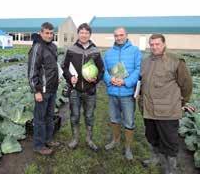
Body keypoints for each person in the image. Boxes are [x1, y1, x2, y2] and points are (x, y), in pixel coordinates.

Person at [139, 34, 193, 173]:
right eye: (152, 44)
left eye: (157, 44)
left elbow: (186, 85)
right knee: (152, 137)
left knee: (170, 142)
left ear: (164, 44)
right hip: (149, 109)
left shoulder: (175, 61)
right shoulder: (145, 62)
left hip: (168, 111)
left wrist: (182, 101)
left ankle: (171, 169)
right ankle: (155, 158)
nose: (154, 47)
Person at [62, 23, 104, 151]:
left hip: (90, 90)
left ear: (90, 35)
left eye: (86, 33)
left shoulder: (95, 51)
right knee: (74, 115)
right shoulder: (71, 49)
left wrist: (96, 79)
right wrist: (70, 77)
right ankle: (75, 139)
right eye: (81, 32)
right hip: (75, 90)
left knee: (89, 116)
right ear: (78, 34)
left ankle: (89, 139)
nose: (84, 35)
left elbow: (101, 70)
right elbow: (64, 67)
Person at [103, 27, 142, 160]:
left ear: (126, 35)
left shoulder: (135, 51)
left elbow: (138, 70)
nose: (118, 38)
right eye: (116, 36)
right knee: (114, 119)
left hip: (128, 93)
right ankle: (115, 140)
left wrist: (126, 82)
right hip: (113, 92)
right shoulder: (108, 53)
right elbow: (104, 71)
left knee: (129, 121)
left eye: (121, 35)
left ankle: (128, 147)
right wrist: (110, 79)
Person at [28, 22, 60, 155]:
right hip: (42, 91)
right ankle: (38, 145)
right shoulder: (37, 47)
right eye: (46, 33)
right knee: (39, 119)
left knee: (49, 116)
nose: (49, 35)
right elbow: (32, 71)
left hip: (52, 89)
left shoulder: (52, 46)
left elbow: (52, 66)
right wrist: (36, 91)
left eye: (51, 33)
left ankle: (48, 139)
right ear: (41, 33)